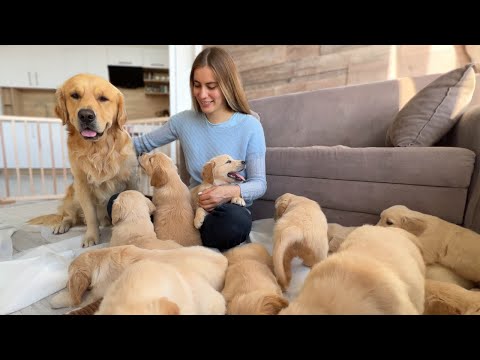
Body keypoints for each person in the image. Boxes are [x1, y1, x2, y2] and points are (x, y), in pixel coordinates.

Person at [108, 46, 267, 251]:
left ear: (228, 85)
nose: (202, 94)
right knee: (117, 203)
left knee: (234, 223)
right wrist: (104, 143)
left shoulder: (250, 125)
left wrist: (228, 192)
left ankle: (173, 234)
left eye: (211, 86)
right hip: (185, 207)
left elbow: (259, 183)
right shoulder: (183, 121)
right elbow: (139, 145)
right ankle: (177, 230)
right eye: (196, 85)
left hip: (224, 211)